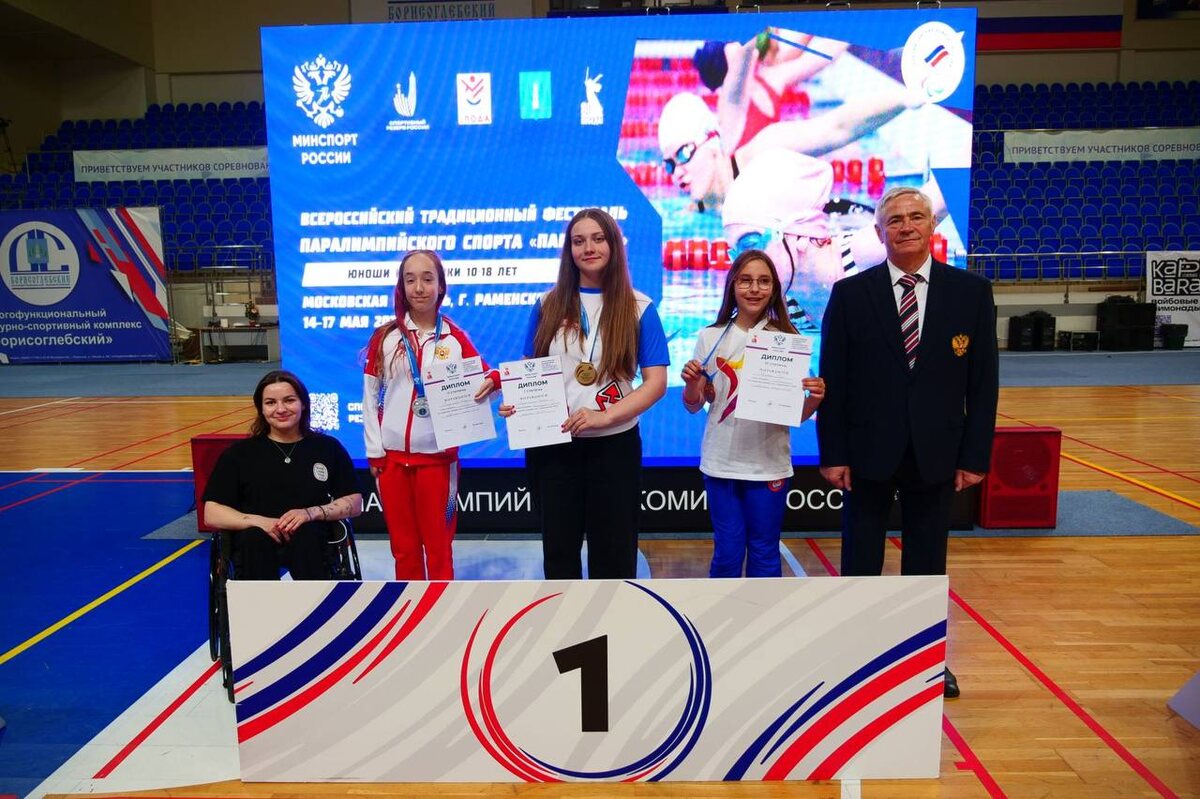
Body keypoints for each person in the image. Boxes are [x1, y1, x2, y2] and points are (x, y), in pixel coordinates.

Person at [816, 186, 999, 699]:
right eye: (894, 220)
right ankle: (856, 659)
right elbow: (835, 381)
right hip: (867, 452)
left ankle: (925, 661)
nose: (906, 226)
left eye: (916, 216)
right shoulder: (850, 294)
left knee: (927, 560)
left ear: (932, 225)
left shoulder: (971, 292)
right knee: (860, 559)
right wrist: (833, 453)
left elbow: (983, 384)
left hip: (937, 451)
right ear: (879, 233)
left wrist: (975, 455)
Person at [500, 208, 669, 580]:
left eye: (597, 239)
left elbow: (656, 382)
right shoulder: (547, 305)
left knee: (614, 557)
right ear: (569, 250)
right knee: (559, 556)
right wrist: (517, 401)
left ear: (613, 245)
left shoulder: (639, 307)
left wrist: (605, 417)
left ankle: (613, 619)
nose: (588, 248)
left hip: (614, 449)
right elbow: (530, 369)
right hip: (554, 449)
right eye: (578, 241)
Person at [680, 249, 824, 577]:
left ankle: (764, 613)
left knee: (764, 551)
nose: (754, 288)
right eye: (745, 281)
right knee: (728, 553)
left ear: (774, 288)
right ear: (732, 286)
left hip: (768, 464)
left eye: (763, 281)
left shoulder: (788, 340)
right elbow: (693, 404)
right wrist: (691, 384)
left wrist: (814, 399)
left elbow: (795, 415)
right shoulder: (710, 337)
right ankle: (722, 613)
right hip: (722, 463)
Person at [362, 249, 499, 581]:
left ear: (441, 286)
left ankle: (441, 609)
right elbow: (370, 395)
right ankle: (410, 611)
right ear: (401, 286)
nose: (419, 288)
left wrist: (496, 379)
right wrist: (375, 451)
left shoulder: (455, 338)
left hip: (439, 462)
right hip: (392, 462)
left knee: (439, 549)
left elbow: (484, 379)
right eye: (410, 280)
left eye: (427, 279)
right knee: (403, 549)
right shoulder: (386, 337)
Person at [658, 83, 918, 214]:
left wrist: (905, 97)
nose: (676, 172)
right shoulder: (694, 212)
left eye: (683, 153)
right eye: (669, 164)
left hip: (842, 220)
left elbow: (836, 128)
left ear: (712, 141)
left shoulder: (762, 153)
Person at [203, 370, 363, 580]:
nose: (280, 409)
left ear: (303, 404)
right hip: (255, 540)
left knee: (307, 534)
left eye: (289, 400)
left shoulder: (328, 448)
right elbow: (212, 513)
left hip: (312, 539)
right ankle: (259, 600)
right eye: (270, 403)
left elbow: (354, 502)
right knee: (254, 538)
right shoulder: (239, 454)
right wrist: (259, 521)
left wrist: (310, 513)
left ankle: (315, 600)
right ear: (261, 409)